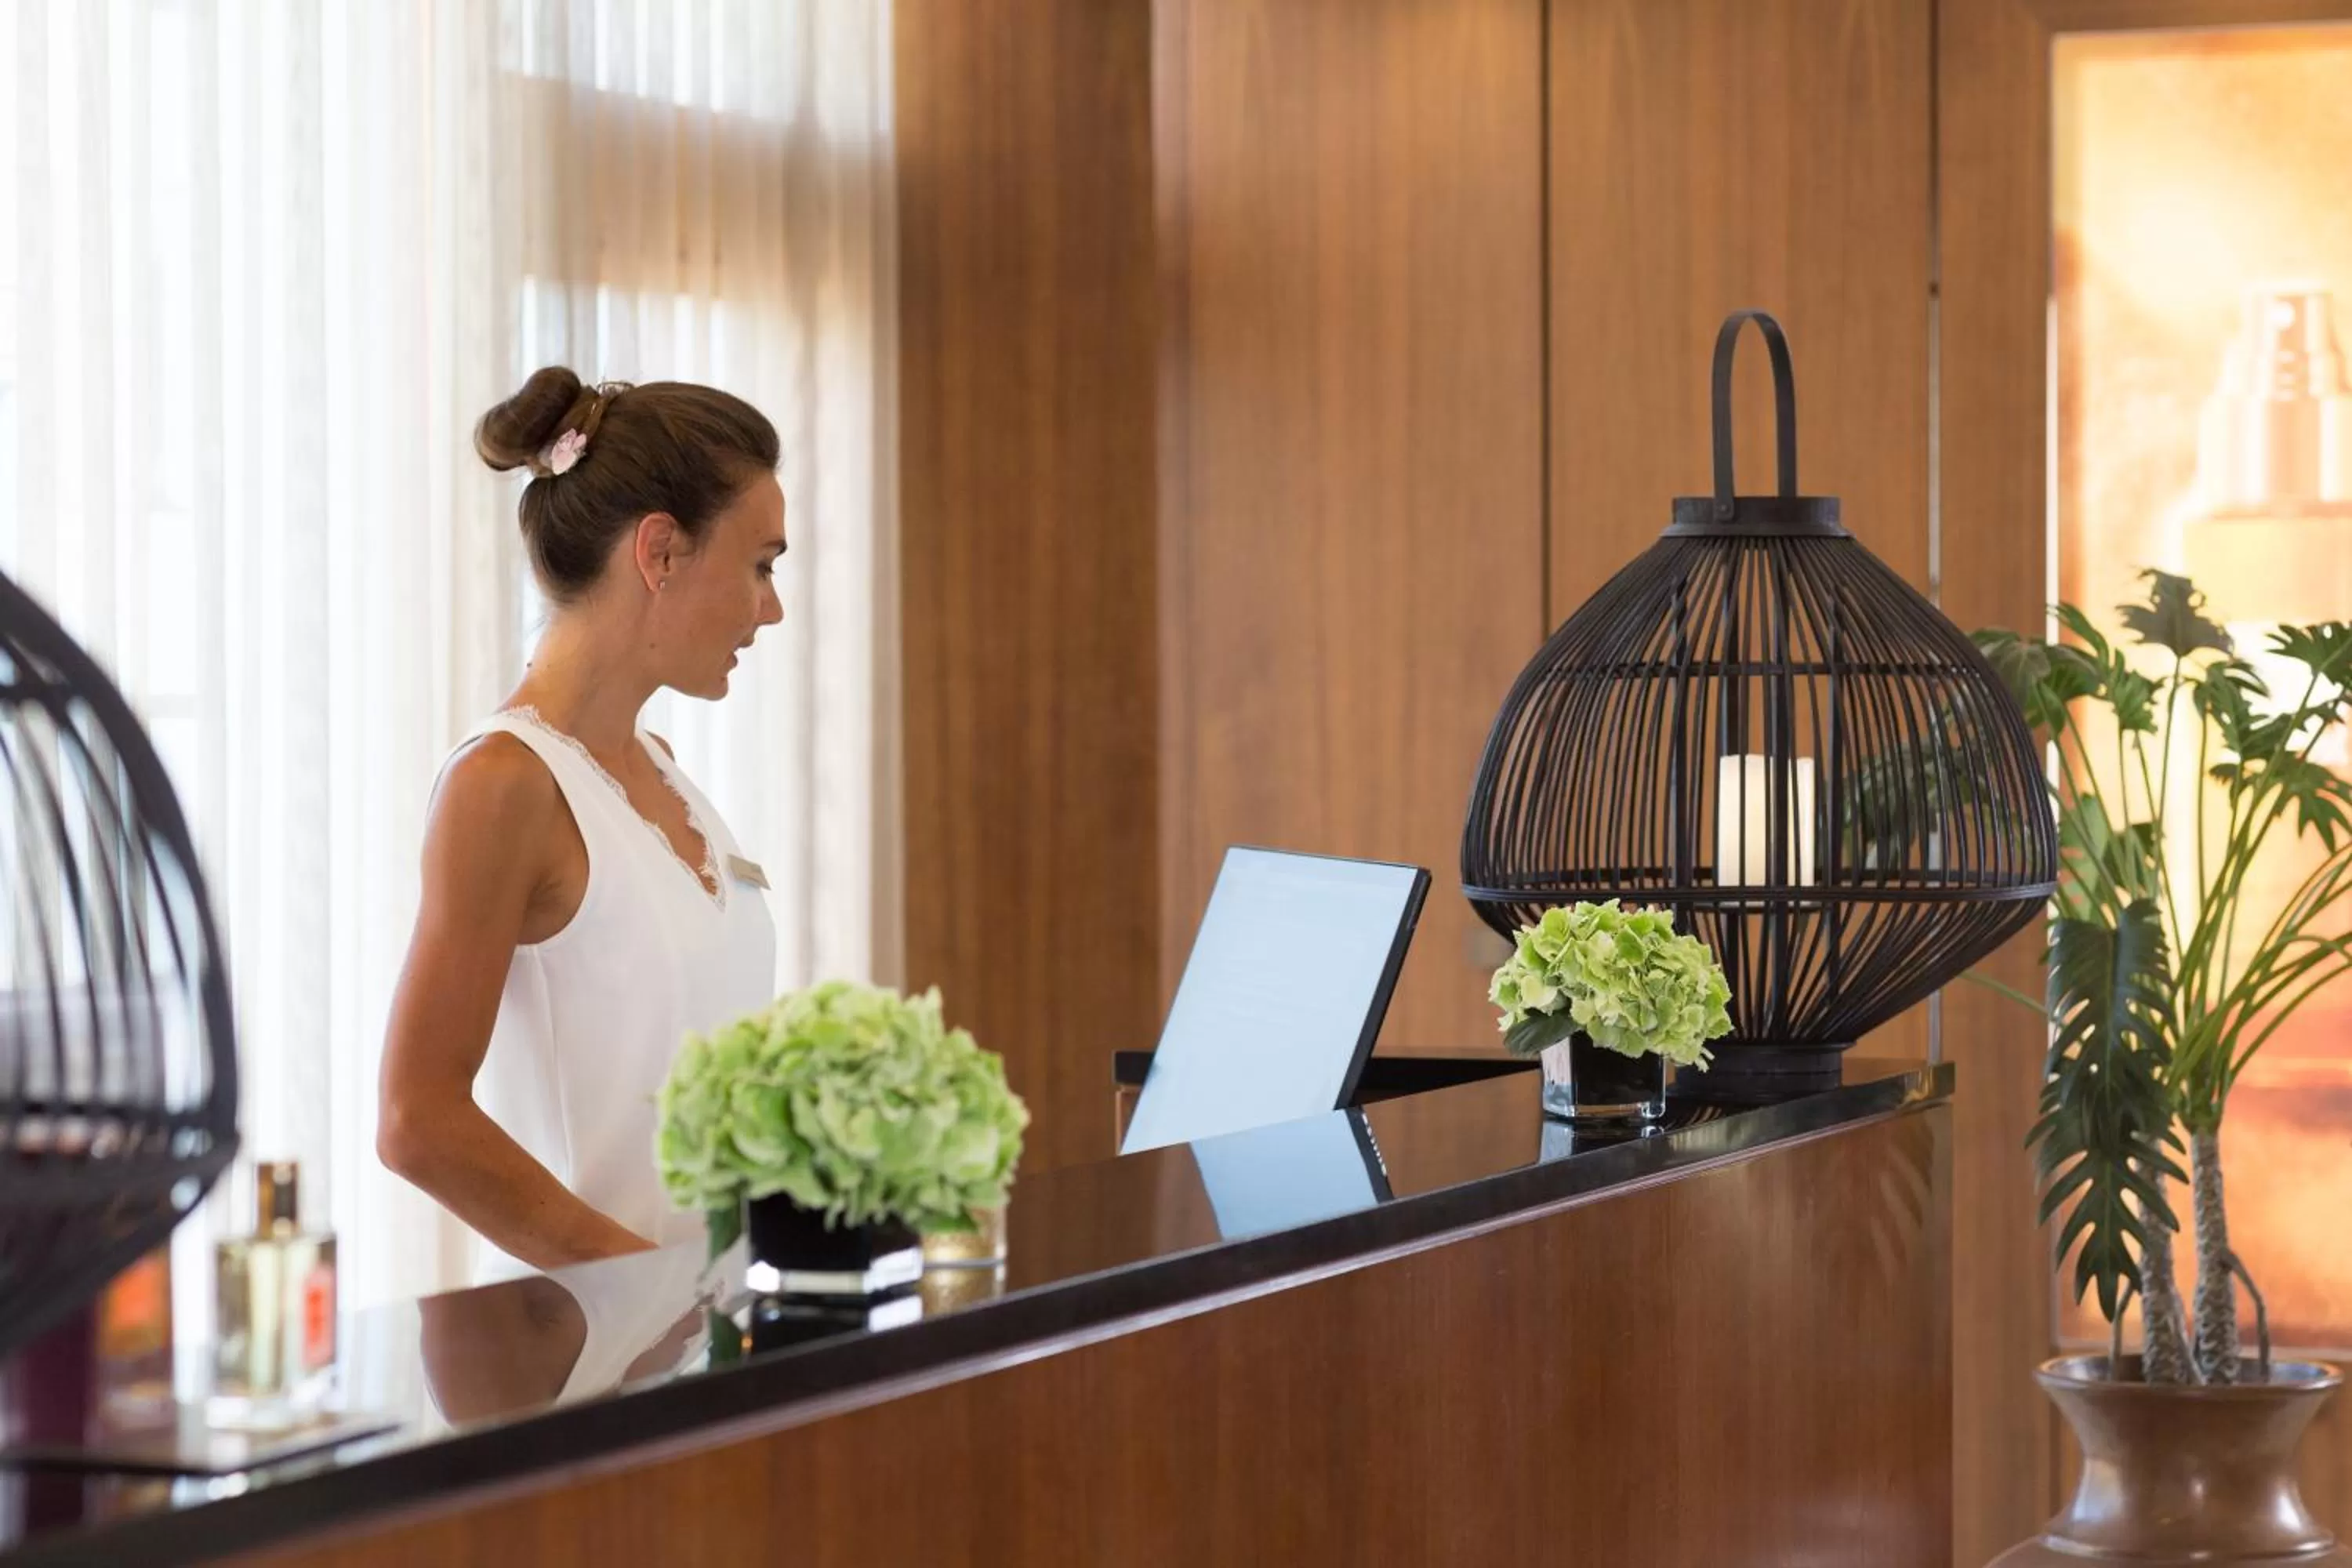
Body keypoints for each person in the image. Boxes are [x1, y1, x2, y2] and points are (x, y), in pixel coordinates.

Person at [379, 368, 784, 1279]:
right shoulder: (502, 785)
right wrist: (644, 1294)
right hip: (586, 1361)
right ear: (662, 553)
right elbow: (416, 1120)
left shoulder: (666, 771)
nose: (772, 606)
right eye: (761, 564)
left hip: (714, 1347)